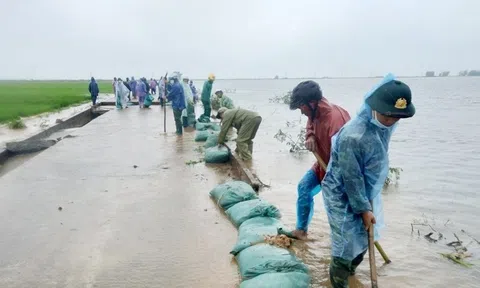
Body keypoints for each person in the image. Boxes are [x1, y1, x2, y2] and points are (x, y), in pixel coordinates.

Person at [322, 74, 415, 287]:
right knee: (345, 246)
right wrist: (364, 209)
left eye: (396, 117)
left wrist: (366, 204)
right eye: (387, 116)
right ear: (374, 108)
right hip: (341, 193)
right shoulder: (353, 137)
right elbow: (351, 178)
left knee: (363, 241)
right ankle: (339, 281)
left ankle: (351, 272)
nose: (391, 121)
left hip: (364, 191)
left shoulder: (384, 125)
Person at [288, 80, 351, 240]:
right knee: (304, 187)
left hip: (339, 172)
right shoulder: (314, 112)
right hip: (322, 164)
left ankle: (341, 243)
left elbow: (345, 158)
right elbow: (310, 123)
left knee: (337, 209)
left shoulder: (335, 121)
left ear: (312, 102)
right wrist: (310, 136)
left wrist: (335, 180)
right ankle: (301, 231)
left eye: (301, 107)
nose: (301, 112)